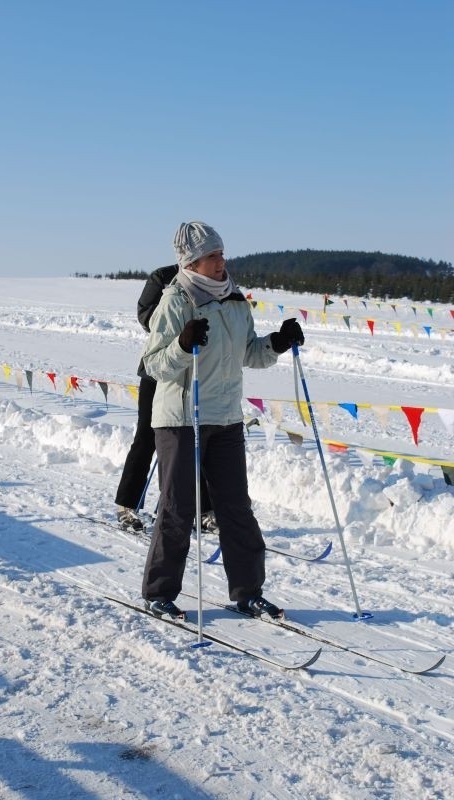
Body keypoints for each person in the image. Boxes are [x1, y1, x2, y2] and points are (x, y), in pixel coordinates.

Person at [141, 221, 304, 620]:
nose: (221, 261)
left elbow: (250, 353)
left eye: (222, 253)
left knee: (236, 508)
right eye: (212, 256)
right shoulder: (176, 300)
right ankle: (159, 592)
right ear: (192, 262)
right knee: (179, 509)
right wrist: (181, 344)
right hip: (183, 418)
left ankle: (248, 591)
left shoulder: (235, 301)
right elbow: (153, 364)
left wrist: (277, 343)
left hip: (228, 417)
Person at [114, 264, 216, 532]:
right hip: (158, 371)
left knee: (197, 439)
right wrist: (178, 326)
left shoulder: (211, 279)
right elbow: (145, 314)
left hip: (195, 370)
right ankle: (127, 505)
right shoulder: (163, 276)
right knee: (147, 438)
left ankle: (203, 510)